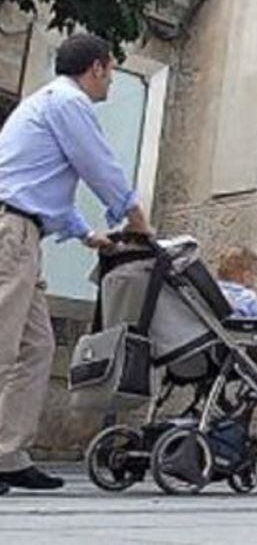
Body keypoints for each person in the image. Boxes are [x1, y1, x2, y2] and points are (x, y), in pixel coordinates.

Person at [0, 33, 152, 494]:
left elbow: (44, 184)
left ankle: (7, 454)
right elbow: (98, 166)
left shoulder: (46, 103)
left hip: (24, 234)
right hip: (12, 235)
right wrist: (138, 220)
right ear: (98, 67)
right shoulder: (69, 103)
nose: (110, 83)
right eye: (110, 72)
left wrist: (88, 235)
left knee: (36, 347)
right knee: (3, 344)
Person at [216, 246, 257, 320]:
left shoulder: (215, 291)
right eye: (255, 273)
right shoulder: (247, 296)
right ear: (246, 275)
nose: (255, 277)